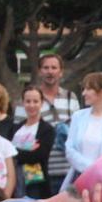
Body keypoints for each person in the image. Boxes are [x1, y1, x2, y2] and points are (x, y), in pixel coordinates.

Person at [38, 53, 82, 192]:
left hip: (67, 170)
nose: (50, 71)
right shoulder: (29, 100)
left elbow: (78, 131)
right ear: (40, 71)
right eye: (46, 68)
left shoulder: (71, 98)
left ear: (61, 72)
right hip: (39, 172)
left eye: (54, 67)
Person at [11, 85, 56, 199]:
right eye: (28, 101)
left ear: (42, 103)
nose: (31, 105)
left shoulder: (47, 129)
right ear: (23, 103)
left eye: (35, 101)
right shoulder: (15, 128)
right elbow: (7, 152)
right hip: (14, 180)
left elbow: (39, 155)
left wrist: (16, 152)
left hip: (36, 184)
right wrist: (28, 149)